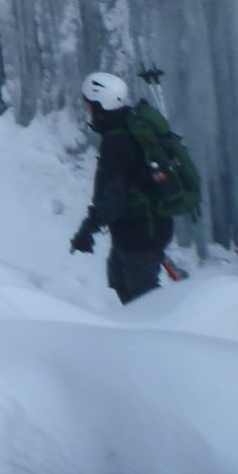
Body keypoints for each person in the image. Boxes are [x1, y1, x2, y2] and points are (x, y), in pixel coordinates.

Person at [69, 71, 178, 303]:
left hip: (140, 233)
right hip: (146, 228)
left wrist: (87, 230)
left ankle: (165, 335)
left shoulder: (116, 144)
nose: (88, 111)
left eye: (89, 106)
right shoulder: (129, 125)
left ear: (100, 105)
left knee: (143, 297)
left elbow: (111, 198)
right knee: (119, 279)